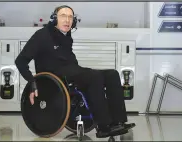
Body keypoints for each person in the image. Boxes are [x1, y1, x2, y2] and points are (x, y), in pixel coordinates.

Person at [15, 5, 135, 138]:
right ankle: (103, 126)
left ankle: (118, 121)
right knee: (94, 77)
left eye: (70, 17)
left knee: (112, 74)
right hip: (55, 77)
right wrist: (32, 82)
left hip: (73, 72)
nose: (67, 20)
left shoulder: (66, 35)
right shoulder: (41, 35)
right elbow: (20, 61)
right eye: (63, 16)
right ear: (55, 19)